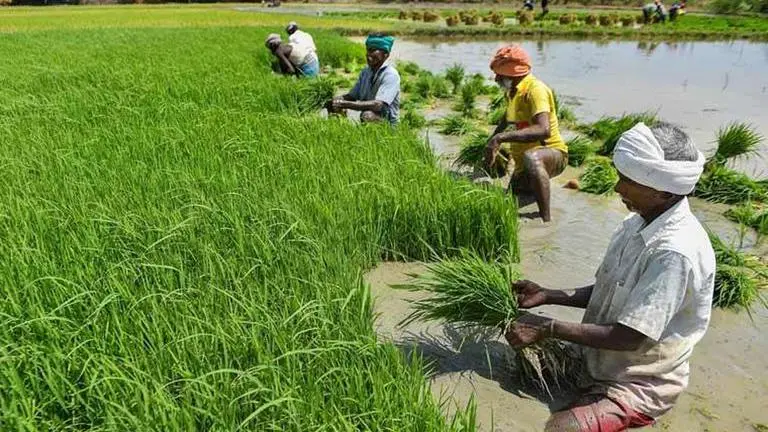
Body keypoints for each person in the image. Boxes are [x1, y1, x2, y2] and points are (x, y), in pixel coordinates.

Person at [505, 122, 715, 432]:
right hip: (594, 359)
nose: (617, 188)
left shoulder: (674, 253)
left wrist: (548, 327)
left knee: (561, 429)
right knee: (515, 360)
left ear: (661, 191)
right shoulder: (636, 222)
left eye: (627, 181)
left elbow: (629, 336)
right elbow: (610, 290)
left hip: (637, 380)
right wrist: (548, 294)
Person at [485, 44, 568, 223]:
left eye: (500, 75)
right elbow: (507, 119)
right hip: (524, 164)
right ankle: (539, 185)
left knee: (532, 158)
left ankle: (546, 220)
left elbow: (544, 130)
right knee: (509, 201)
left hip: (552, 153)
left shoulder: (535, 90)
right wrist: (490, 142)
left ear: (514, 74)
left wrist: (500, 138)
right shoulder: (512, 92)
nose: (496, 79)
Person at [327, 34, 400, 125]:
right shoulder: (366, 72)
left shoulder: (390, 75)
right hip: (370, 115)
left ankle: (382, 133)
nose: (368, 54)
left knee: (367, 115)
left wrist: (344, 104)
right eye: (368, 50)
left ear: (386, 55)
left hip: (387, 122)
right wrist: (337, 100)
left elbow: (378, 105)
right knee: (332, 104)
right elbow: (352, 96)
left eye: (373, 50)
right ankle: (340, 128)